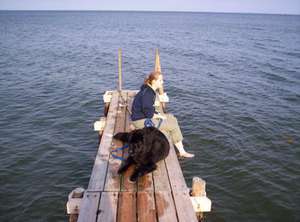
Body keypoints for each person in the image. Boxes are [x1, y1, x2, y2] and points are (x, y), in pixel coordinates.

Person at [131, 71, 194, 158]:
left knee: (172, 118)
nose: (162, 82)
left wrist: (159, 114)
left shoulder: (148, 90)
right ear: (153, 81)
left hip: (142, 116)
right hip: (140, 120)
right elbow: (149, 114)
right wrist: (160, 116)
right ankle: (181, 151)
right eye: (160, 80)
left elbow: (148, 109)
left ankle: (175, 140)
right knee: (172, 126)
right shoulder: (148, 93)